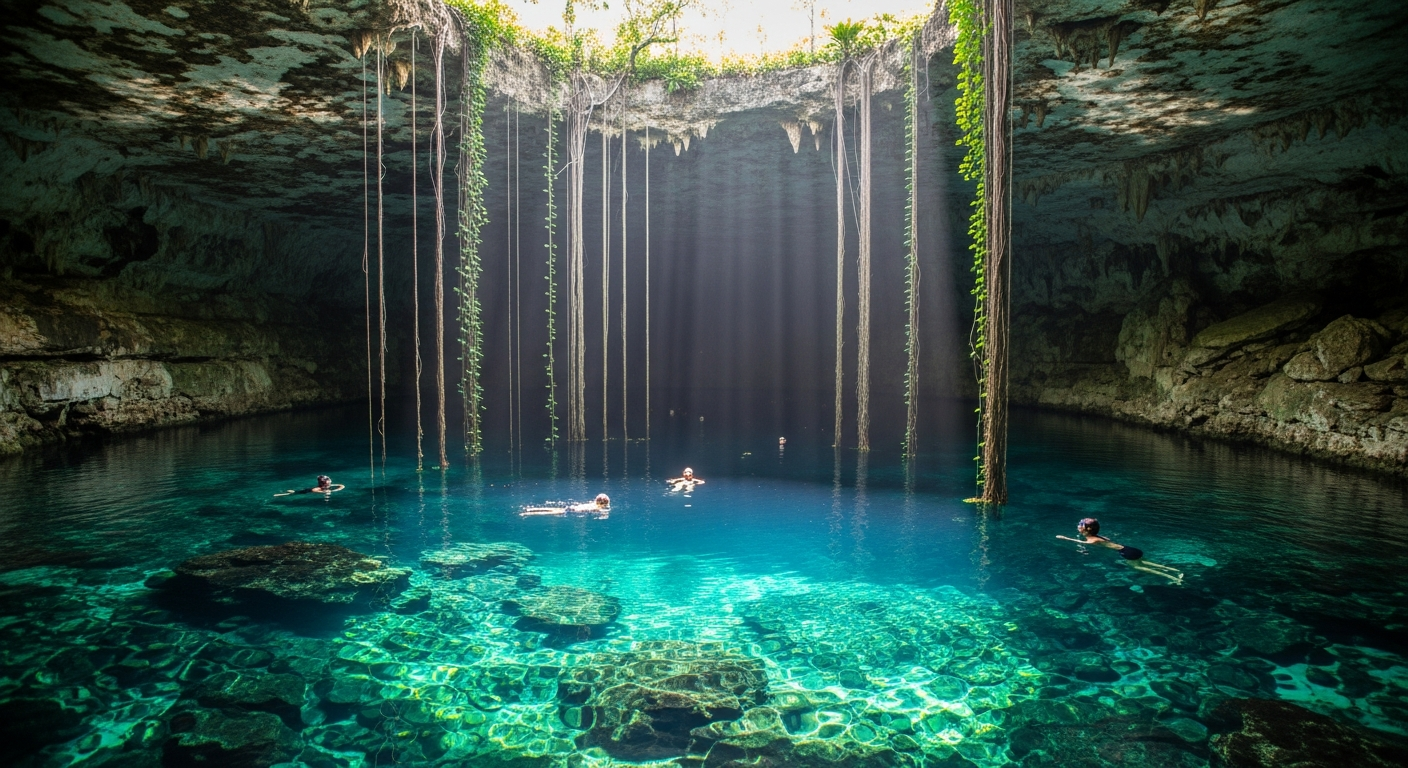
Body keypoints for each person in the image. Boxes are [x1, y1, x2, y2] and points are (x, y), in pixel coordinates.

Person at [1057, 518, 1183, 583]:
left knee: (1138, 567)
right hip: (1130, 549)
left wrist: (1065, 538)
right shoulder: (1100, 537)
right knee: (1146, 562)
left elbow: (1082, 543)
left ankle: (1172, 578)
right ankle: (1176, 571)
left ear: (1088, 529)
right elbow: (1107, 541)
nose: (1078, 526)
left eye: (1080, 525)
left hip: (1126, 553)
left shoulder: (1092, 540)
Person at [521, 493, 610, 517]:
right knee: (548, 513)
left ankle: (530, 510)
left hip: (572, 508)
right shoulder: (597, 508)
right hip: (573, 511)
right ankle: (527, 514)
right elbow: (603, 514)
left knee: (551, 509)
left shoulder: (592, 504)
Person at [274, 475, 344, 497]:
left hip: (309, 489)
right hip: (307, 491)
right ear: (325, 483)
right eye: (329, 480)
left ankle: (292, 490)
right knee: (293, 494)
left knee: (295, 491)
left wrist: (334, 490)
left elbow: (341, 485)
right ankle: (280, 494)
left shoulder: (328, 485)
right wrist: (326, 492)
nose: (330, 481)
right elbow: (314, 491)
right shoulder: (317, 488)